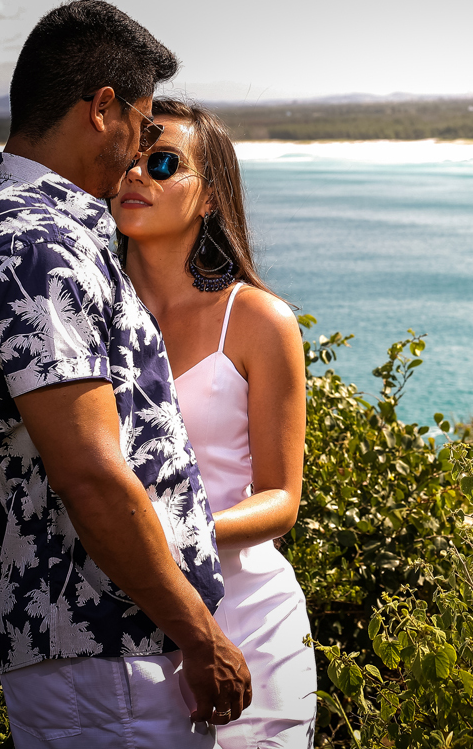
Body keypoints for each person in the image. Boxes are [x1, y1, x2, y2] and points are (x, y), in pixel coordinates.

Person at [0, 0, 250, 748]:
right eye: (140, 127)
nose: (138, 155)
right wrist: (200, 639)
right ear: (102, 109)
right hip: (106, 651)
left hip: (96, 651)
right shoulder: (39, 245)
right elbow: (91, 474)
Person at [110, 98, 316, 747]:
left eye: (163, 161)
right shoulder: (86, 318)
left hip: (250, 620)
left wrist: (167, 537)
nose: (137, 174)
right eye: (127, 158)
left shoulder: (259, 322)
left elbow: (282, 500)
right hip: (125, 635)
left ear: (207, 199)